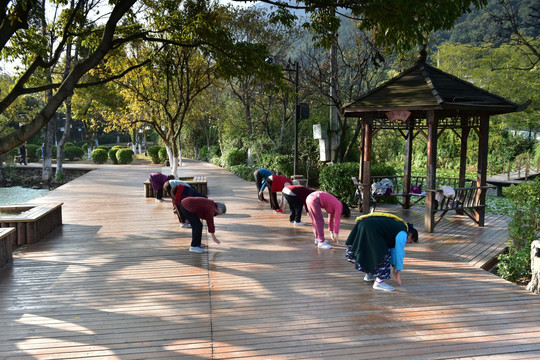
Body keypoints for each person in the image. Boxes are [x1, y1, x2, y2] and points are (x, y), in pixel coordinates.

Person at [345, 212, 419, 292]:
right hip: (371, 229)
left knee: (370, 251)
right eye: (410, 241)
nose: (407, 243)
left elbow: (393, 249)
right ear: (411, 235)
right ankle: (379, 282)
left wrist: (395, 267)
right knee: (382, 253)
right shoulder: (403, 232)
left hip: (364, 225)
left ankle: (370, 275)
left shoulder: (398, 227)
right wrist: (398, 271)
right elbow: (399, 252)